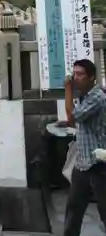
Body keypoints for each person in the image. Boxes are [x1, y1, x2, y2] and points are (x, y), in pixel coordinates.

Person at [61, 59, 106, 236]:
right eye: (75, 74)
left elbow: (73, 117)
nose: (75, 78)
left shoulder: (97, 96)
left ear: (92, 77)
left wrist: (67, 89)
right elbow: (80, 122)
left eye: (80, 75)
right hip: (82, 163)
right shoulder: (85, 96)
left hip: (98, 164)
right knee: (74, 208)